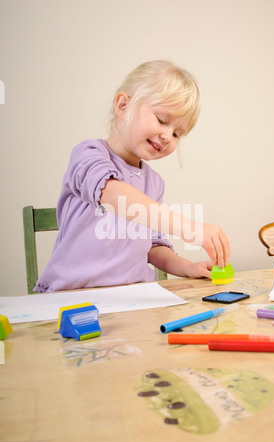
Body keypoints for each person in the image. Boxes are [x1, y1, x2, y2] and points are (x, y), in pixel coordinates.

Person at [34, 59, 230, 293]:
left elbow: (154, 247)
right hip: (70, 295)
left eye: (177, 133)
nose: (168, 135)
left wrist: (188, 267)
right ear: (123, 106)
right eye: (162, 120)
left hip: (132, 297)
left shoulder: (154, 183)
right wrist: (189, 227)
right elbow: (112, 194)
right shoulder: (88, 156)